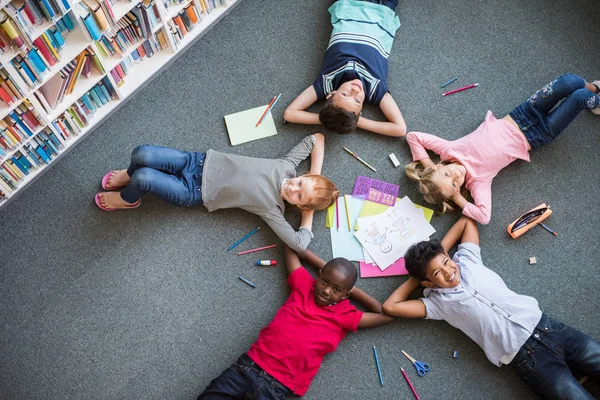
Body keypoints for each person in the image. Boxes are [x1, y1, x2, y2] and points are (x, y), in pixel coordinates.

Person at [382, 216, 600, 399]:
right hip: (527, 358)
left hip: (548, 327)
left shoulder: (467, 260)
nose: (449, 272)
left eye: (447, 263)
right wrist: (421, 277)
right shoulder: (436, 303)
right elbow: (390, 306)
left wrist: (438, 255)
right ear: (428, 284)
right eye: (438, 274)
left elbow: (466, 222)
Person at [197, 246, 393, 399]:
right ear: (318, 276)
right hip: (247, 367)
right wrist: (324, 269)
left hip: (277, 387)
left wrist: (351, 290)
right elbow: (290, 247)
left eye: (336, 289)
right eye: (324, 281)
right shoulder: (304, 284)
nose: (326, 291)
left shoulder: (346, 314)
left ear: (346, 294)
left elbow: (385, 313)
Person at [404, 73, 600, 224]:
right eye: (455, 185)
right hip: (538, 134)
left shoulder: (448, 150)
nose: (456, 176)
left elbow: (412, 136)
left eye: (447, 174)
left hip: (522, 114)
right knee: (581, 97)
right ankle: (595, 100)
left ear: (440, 166)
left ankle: (595, 89)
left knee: (570, 81)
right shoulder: (477, 182)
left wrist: (427, 165)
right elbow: (483, 216)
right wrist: (458, 198)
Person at [95, 134, 337, 252]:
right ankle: (128, 175)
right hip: (197, 162)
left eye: (298, 196)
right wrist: (314, 177)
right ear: (302, 175)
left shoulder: (273, 210)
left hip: (194, 192)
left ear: (299, 206)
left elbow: (299, 244)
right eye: (300, 183)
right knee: (141, 154)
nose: (292, 188)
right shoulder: (287, 165)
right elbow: (316, 139)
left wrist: (308, 214)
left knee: (143, 178)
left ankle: (128, 199)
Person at [283, 0, 406, 137]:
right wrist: (357, 121)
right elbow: (400, 129)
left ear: (331, 94)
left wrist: (329, 119)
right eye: (357, 101)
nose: (355, 90)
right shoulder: (374, 89)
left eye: (345, 94)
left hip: (349, 6)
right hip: (380, 8)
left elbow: (290, 114)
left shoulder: (326, 83)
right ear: (360, 112)